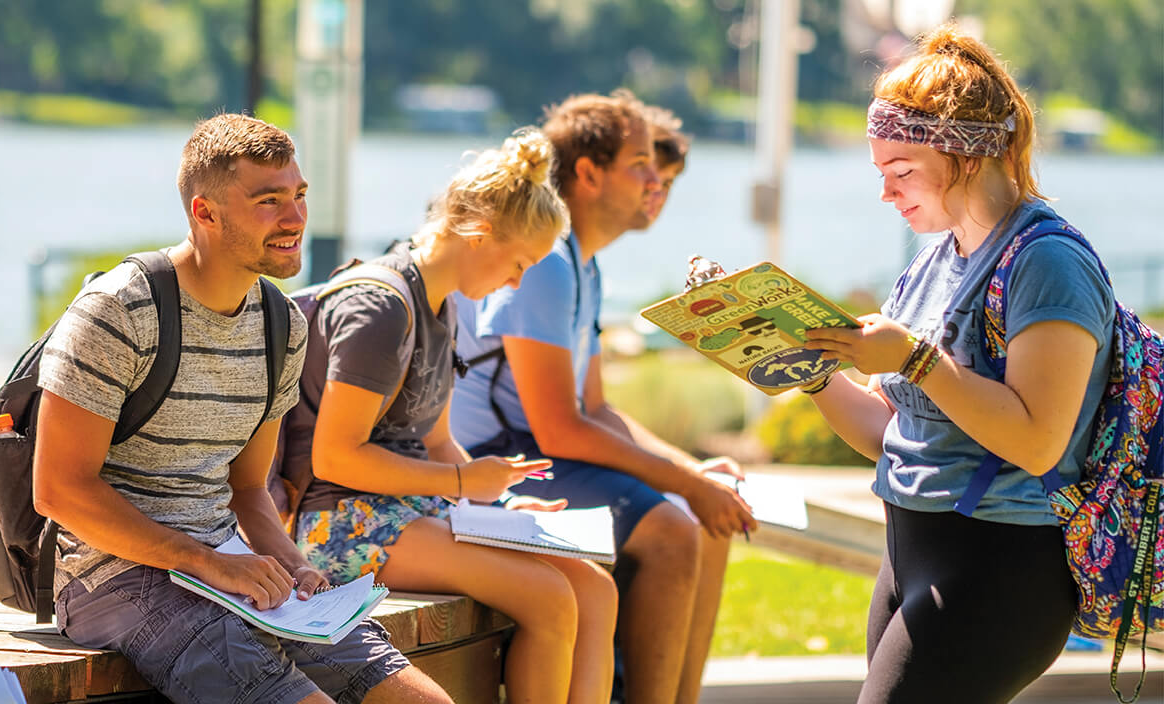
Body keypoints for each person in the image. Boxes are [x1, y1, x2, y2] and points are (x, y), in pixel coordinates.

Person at [31, 113, 451, 704]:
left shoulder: (282, 325)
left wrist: (291, 563)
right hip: (112, 580)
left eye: (299, 195)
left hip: (226, 567)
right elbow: (58, 490)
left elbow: (249, 490)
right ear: (204, 212)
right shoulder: (119, 310)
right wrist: (206, 562)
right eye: (269, 201)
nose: (296, 218)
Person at [801, 26, 1108, 703]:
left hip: (1000, 568)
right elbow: (894, 433)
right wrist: (809, 369)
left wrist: (913, 359)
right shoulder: (932, 264)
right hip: (910, 555)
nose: (887, 194)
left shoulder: (1049, 262)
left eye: (902, 172)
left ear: (966, 158)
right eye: (880, 174)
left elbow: (1037, 440)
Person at [290, 129, 617, 704]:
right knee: (549, 597)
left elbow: (438, 442)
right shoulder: (382, 309)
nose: (515, 282)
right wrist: (464, 484)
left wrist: (505, 504)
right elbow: (335, 455)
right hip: (337, 524)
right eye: (518, 264)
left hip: (405, 512)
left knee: (593, 588)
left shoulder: (441, 304)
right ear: (480, 233)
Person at [449, 92, 754, 704]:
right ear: (588, 175)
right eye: (641, 163)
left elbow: (598, 411)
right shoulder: (549, 264)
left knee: (704, 519)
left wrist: (694, 474)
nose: (655, 179)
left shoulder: (581, 265)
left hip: (535, 450)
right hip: (487, 462)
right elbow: (561, 428)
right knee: (672, 530)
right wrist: (686, 486)